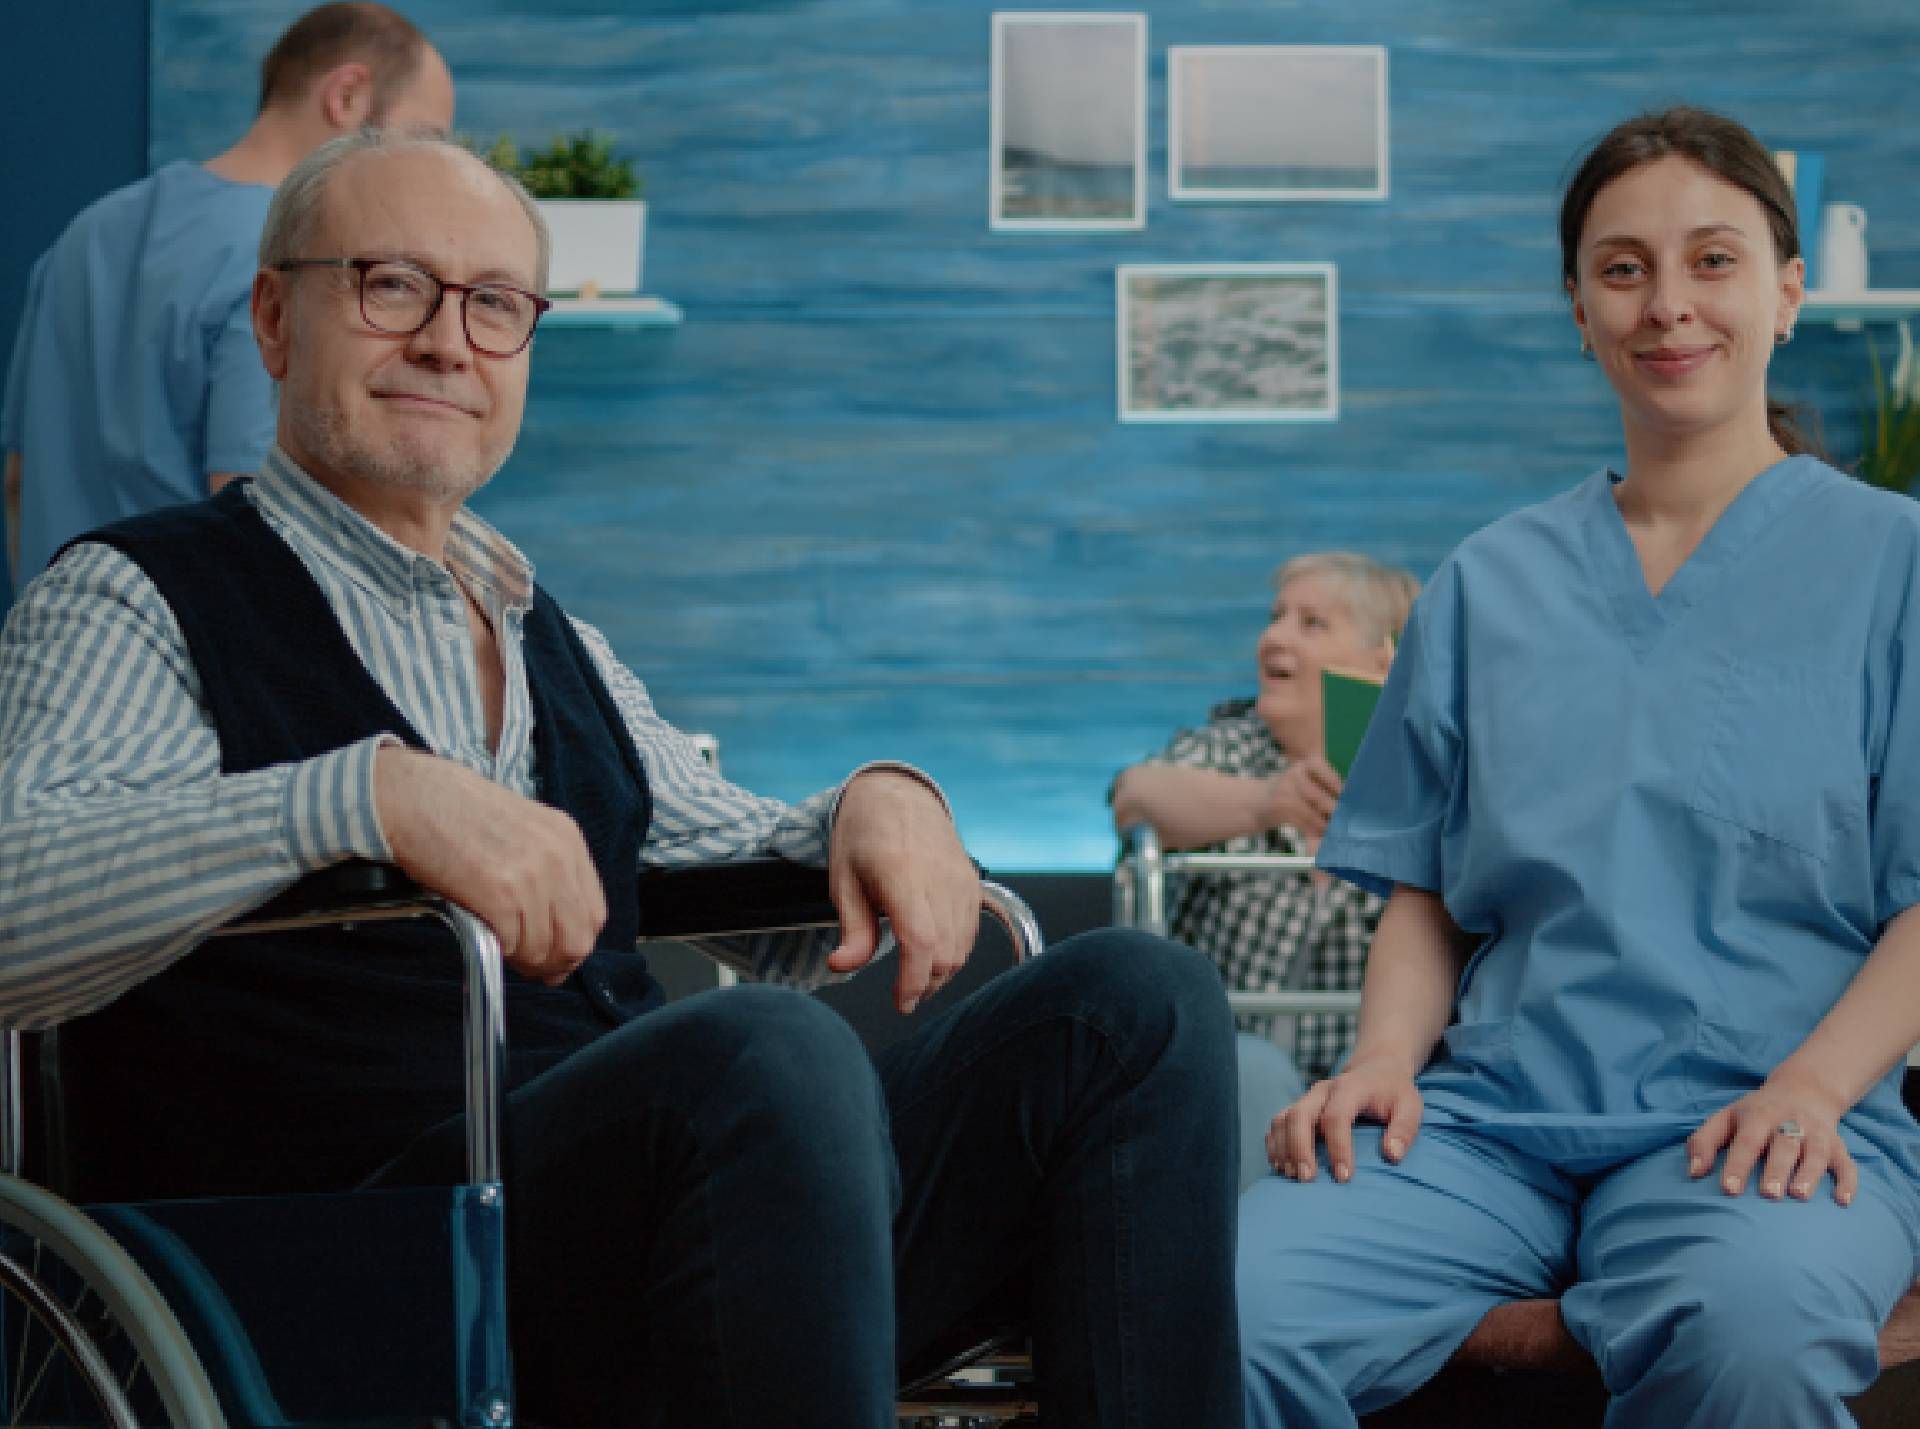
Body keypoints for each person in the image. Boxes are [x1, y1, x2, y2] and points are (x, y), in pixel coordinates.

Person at [0, 129, 1243, 1429]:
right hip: (343, 1262)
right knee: (764, 1056)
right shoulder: (133, 596)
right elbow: (14, 899)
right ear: (271, 318)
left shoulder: (549, 635)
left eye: (494, 306)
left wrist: (877, 799)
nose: (445, 342)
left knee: (1136, 1000)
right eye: (388, 285)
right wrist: (367, 794)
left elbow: (742, 874)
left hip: (652, 1226)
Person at [1236, 105, 1920, 1429]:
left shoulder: (1898, 565)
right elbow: (1427, 889)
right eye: (1624, 269)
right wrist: (1384, 1059)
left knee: (1753, 1338)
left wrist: (1811, 1088)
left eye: (1712, 261)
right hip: (1490, 1126)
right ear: (1580, 307)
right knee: (1228, 1303)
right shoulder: (1490, 583)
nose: (1669, 305)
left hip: (1762, 1126)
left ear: (1787, 292)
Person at [1, 2, 454, 590]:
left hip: (55, 646)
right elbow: (257, 517)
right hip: (192, 663)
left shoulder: (84, 235)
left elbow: (17, 478)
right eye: (420, 140)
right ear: (347, 96)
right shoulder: (287, 265)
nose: (421, 176)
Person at [1110, 552, 1417, 1188]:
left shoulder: (1426, 772)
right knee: (1249, 1070)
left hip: (1358, 1063)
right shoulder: (1226, 748)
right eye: (1276, 618)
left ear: (1385, 660)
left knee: (1370, 1086)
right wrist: (1268, 802)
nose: (1274, 637)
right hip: (1232, 1065)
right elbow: (1134, 796)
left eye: (1312, 624)